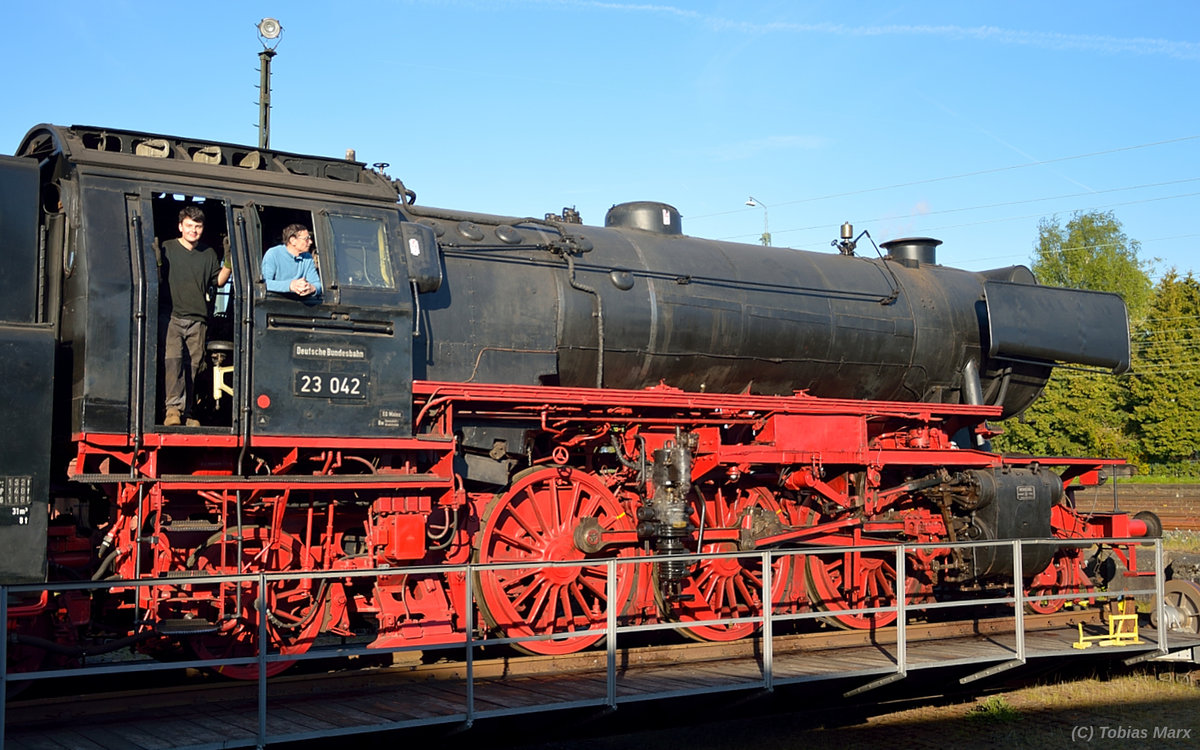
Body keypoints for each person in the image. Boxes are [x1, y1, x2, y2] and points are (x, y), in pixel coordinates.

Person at [159, 206, 231, 426]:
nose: (193, 230)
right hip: (172, 315)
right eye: (189, 226)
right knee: (173, 363)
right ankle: (172, 411)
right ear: (181, 227)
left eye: (197, 227)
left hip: (198, 318)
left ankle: (188, 412)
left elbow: (218, 281)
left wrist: (228, 260)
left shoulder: (208, 254)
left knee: (193, 367)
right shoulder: (167, 248)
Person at [261, 224, 322, 299]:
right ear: (293, 241)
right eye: (306, 239)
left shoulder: (307, 257)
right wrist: (290, 286)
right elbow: (265, 283)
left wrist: (311, 288)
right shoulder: (273, 254)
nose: (310, 242)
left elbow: (317, 284)